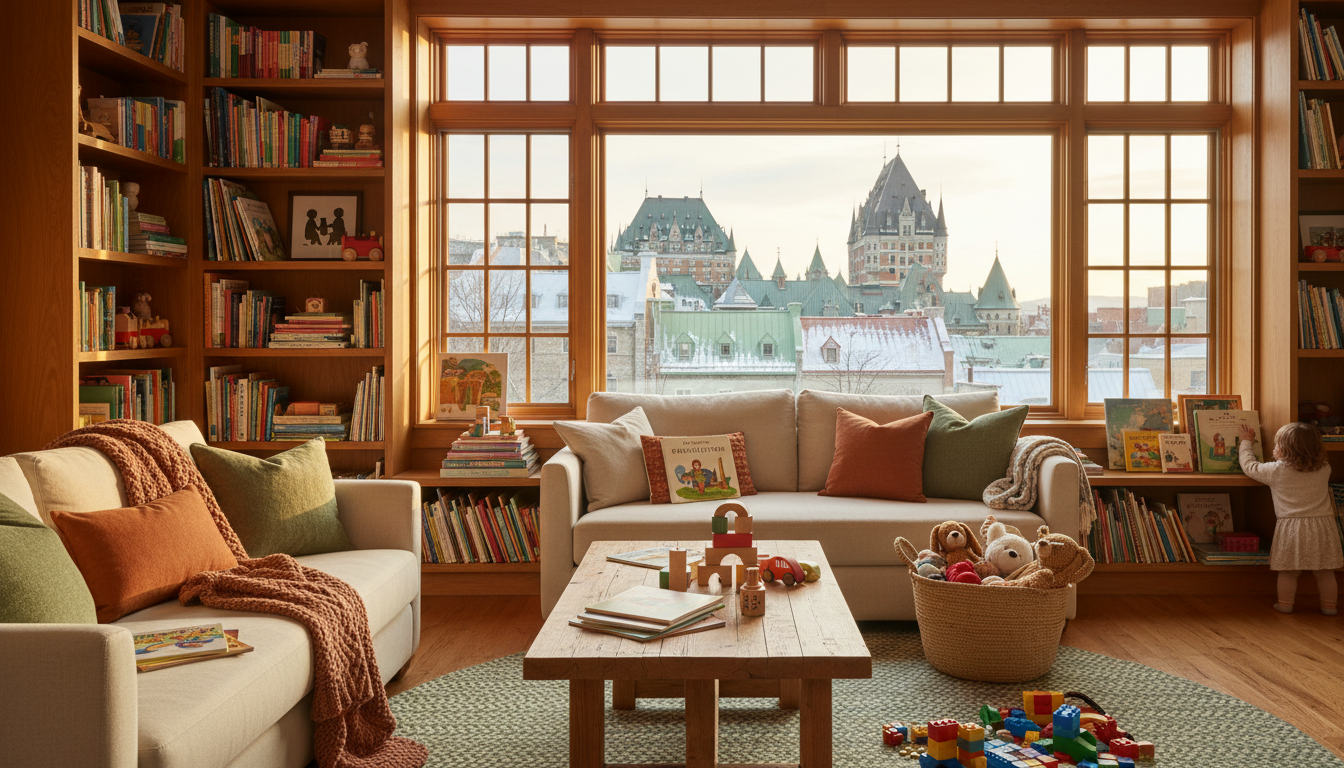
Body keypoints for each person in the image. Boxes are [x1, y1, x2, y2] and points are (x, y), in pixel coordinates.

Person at [1239, 422, 1342, 615]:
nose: (1274, 448)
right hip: (1322, 526)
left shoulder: (1276, 471)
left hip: (1292, 528)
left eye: (1277, 445)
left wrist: (1246, 443)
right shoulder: (1324, 469)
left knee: (1288, 571)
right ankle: (1329, 607)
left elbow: (1249, 466)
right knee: (1325, 571)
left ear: (1285, 450)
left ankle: (1285, 604)